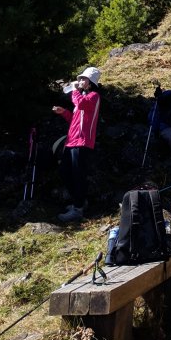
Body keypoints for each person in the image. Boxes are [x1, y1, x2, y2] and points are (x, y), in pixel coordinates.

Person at [52, 66, 101, 223]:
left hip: (83, 141)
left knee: (78, 175)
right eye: (79, 78)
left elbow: (80, 105)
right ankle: (78, 202)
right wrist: (64, 112)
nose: (80, 81)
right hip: (72, 141)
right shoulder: (83, 97)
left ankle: (78, 209)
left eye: (83, 79)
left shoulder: (93, 96)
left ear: (91, 82)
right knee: (65, 171)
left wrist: (74, 91)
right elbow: (74, 120)